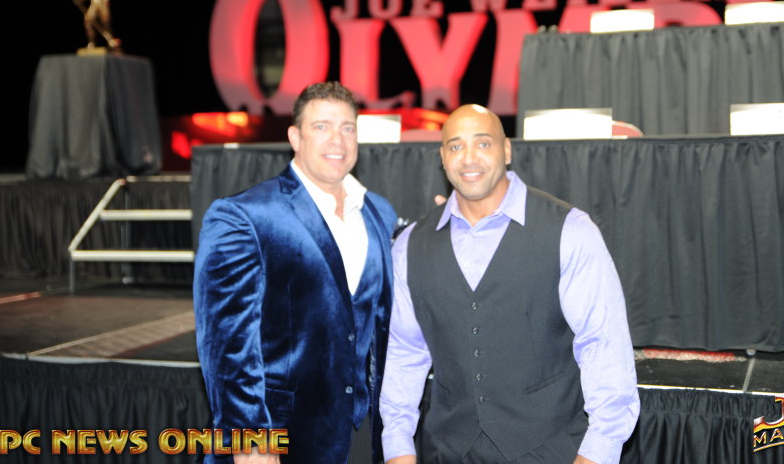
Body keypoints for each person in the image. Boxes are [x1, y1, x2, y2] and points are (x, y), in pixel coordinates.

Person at [379, 104, 640, 464]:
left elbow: (603, 346)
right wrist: (398, 448)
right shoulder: (410, 245)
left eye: (483, 143)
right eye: (456, 146)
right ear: (442, 157)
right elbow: (405, 354)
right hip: (448, 450)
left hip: (553, 450)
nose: (469, 157)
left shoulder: (570, 231)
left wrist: (599, 451)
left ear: (506, 150)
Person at [194, 82, 398, 464]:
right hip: (281, 437)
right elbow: (225, 345)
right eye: (321, 126)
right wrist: (250, 440)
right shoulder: (243, 216)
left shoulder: (378, 212)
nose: (337, 139)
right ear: (295, 137)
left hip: (360, 434)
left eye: (348, 127)